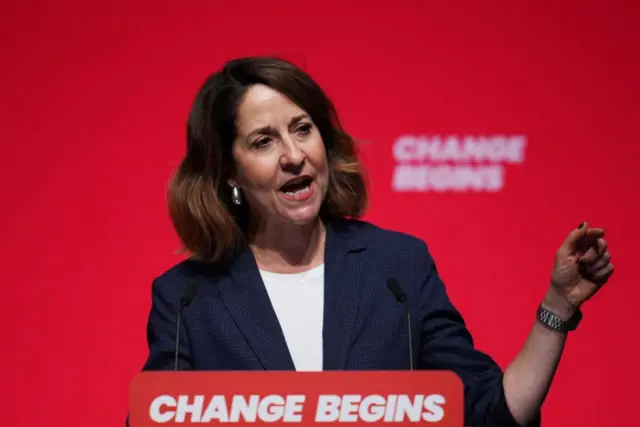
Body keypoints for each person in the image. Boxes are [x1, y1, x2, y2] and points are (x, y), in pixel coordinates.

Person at [137, 56, 614, 427]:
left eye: (303, 130)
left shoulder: (397, 267)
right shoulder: (187, 299)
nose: (293, 155)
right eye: (263, 141)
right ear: (228, 171)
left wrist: (557, 306)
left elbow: (490, 410)